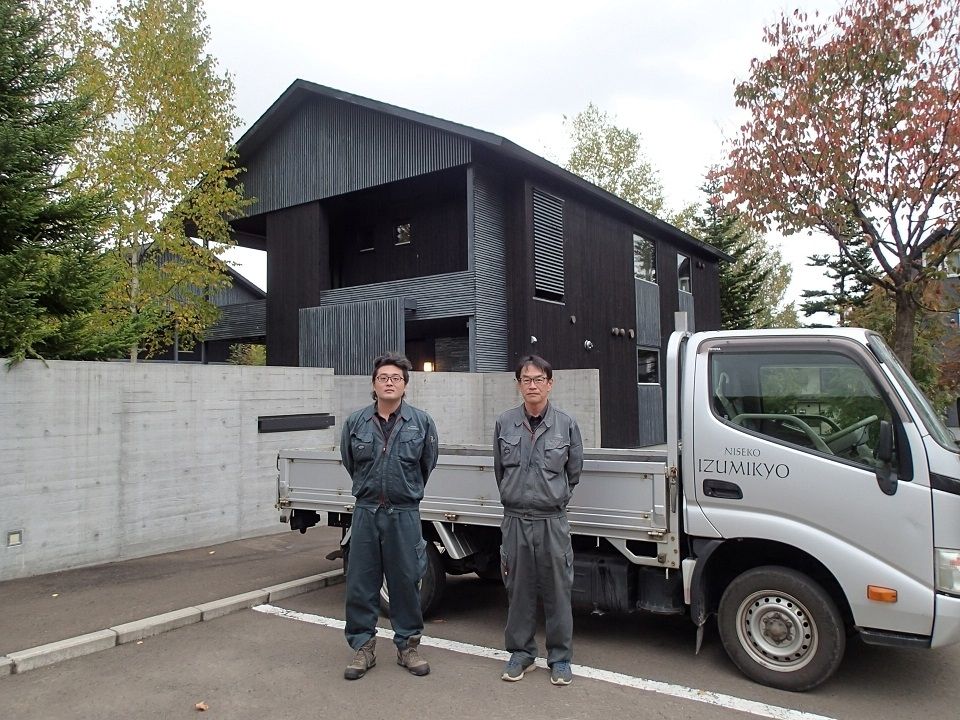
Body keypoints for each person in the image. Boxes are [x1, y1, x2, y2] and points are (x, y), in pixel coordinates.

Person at [339, 352, 439, 680]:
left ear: (405, 385)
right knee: (361, 582)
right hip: (367, 512)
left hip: (404, 514)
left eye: (396, 378)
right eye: (383, 377)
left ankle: (407, 647)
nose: (389, 383)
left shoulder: (421, 423)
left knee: (407, 581)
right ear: (373, 384)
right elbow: (350, 460)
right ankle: (363, 647)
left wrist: (403, 491)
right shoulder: (355, 423)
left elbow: (427, 464)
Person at [493, 355, 583, 686]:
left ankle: (559, 658)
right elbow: (499, 469)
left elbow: (573, 472)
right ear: (518, 384)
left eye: (538, 379)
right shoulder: (505, 423)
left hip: (552, 521)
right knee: (518, 589)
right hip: (515, 519)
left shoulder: (566, 424)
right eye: (526, 380)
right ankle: (521, 654)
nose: (532, 385)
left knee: (558, 591)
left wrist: (553, 498)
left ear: (550, 383)